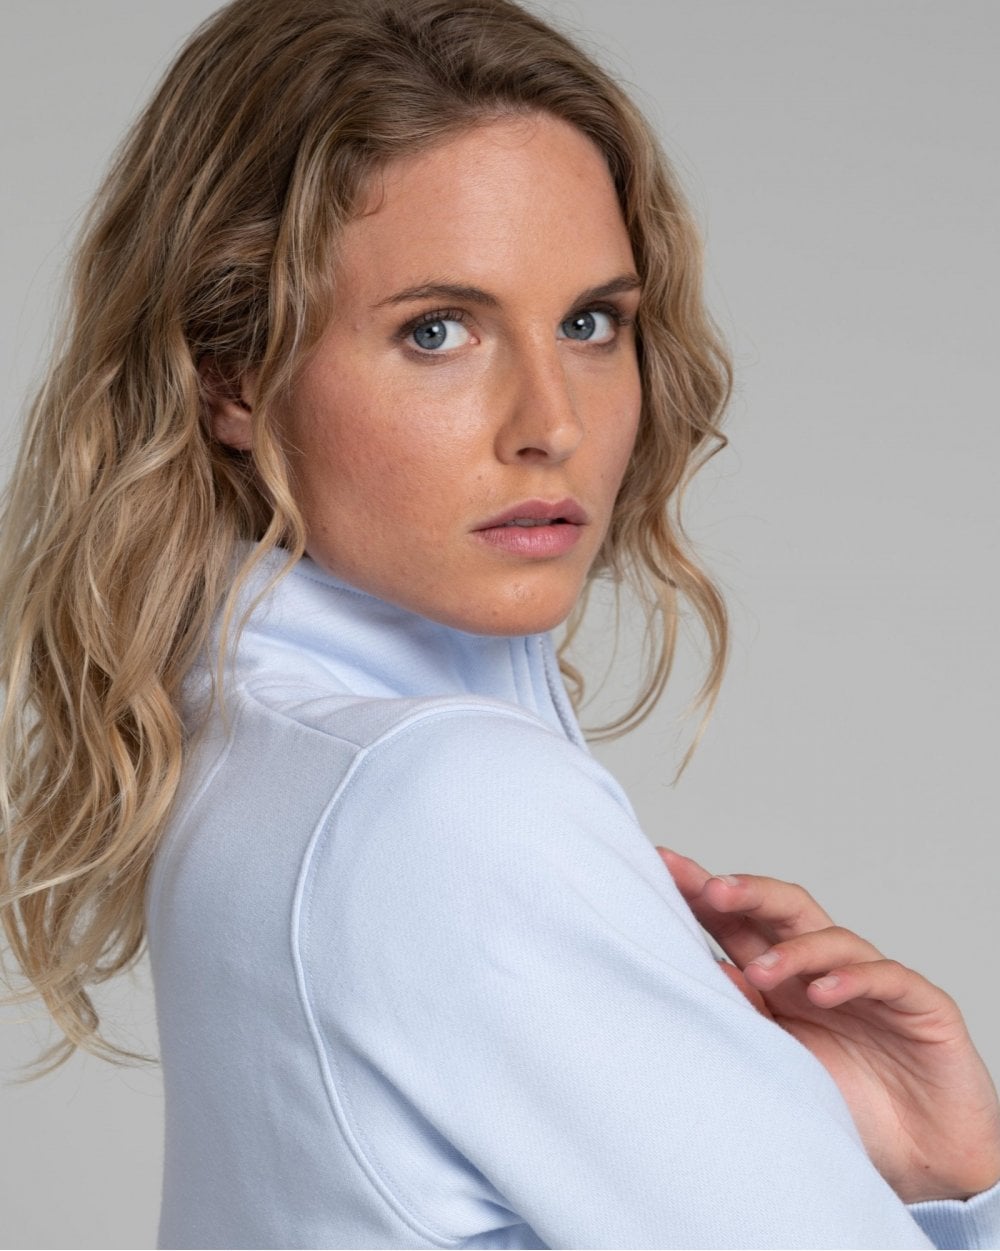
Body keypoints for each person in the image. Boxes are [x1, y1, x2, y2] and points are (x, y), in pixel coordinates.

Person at [1, 0, 998, 1247]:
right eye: (437, 331)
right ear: (231, 375)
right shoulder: (448, 805)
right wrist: (972, 1188)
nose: (552, 422)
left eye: (590, 323)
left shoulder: (263, 765)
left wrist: (923, 1172)